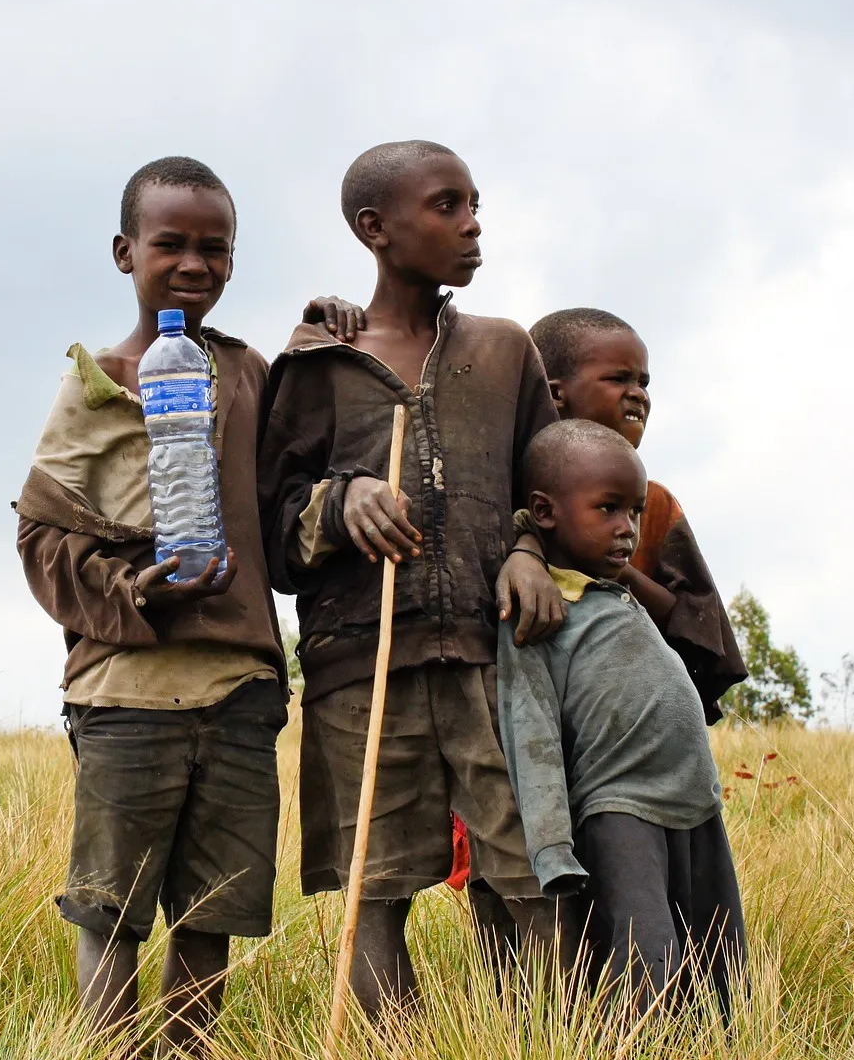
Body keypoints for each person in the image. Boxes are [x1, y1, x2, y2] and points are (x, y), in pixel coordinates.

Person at [13, 155, 357, 1053]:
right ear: (126, 253)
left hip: (241, 687)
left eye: (216, 248)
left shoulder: (249, 375)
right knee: (111, 911)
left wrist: (322, 340)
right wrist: (135, 593)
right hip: (124, 690)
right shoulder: (96, 384)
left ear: (234, 263)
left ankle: (188, 1050)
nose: (194, 264)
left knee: (215, 910)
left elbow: (287, 505)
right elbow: (41, 542)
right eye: (171, 244)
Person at [258, 139, 567, 1019]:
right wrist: (339, 501)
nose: (472, 226)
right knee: (375, 891)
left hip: (493, 663)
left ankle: (541, 1040)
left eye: (475, 204)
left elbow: (546, 492)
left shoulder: (506, 353)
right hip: (363, 669)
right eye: (446, 206)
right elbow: (274, 537)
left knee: (533, 877)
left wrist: (525, 551)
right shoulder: (316, 369)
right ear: (376, 230)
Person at [499, 419, 746, 1015]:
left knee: (724, 964)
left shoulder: (618, 593)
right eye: (608, 509)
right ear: (545, 511)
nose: (627, 530)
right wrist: (553, 849)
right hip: (618, 809)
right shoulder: (539, 605)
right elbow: (527, 730)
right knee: (645, 969)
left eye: (633, 512)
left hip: (697, 806)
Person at [527, 308, 747, 721]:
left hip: (625, 719)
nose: (639, 394)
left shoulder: (656, 506)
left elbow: (701, 638)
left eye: (644, 382)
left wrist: (620, 573)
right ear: (555, 393)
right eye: (619, 379)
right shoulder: (506, 489)